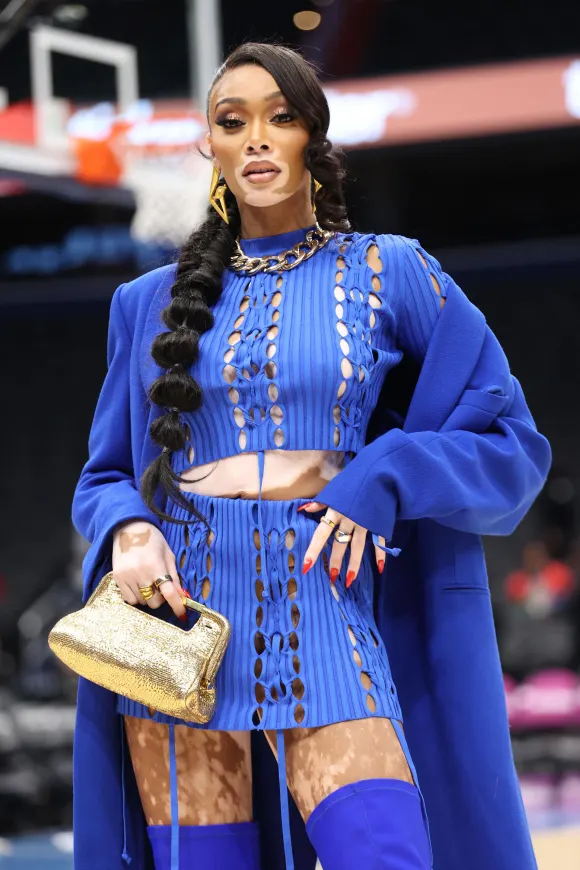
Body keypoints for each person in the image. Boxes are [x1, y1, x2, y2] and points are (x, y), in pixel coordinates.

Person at [71, 41, 552, 870]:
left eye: (280, 117)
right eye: (233, 121)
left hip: (324, 603)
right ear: (211, 145)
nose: (257, 138)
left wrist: (384, 473)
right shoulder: (145, 303)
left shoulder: (390, 269)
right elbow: (105, 474)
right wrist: (130, 531)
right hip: (175, 627)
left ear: (311, 137)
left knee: (386, 855)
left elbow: (510, 438)